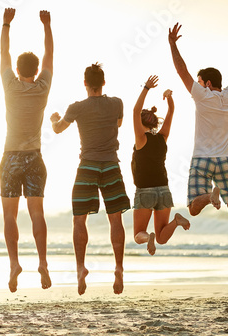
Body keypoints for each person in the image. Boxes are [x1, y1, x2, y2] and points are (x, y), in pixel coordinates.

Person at [50, 63, 130, 295]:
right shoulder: (116, 103)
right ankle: (118, 268)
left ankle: (80, 268)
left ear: (85, 83)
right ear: (103, 82)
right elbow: (118, 124)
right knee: (115, 220)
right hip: (111, 165)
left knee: (79, 219)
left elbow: (57, 130)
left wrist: (54, 119)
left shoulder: (76, 108)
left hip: (88, 165)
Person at [168, 23, 228, 229]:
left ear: (207, 83)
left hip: (202, 158)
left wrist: (172, 44)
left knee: (193, 209)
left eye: (200, 81)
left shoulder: (202, 96)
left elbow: (181, 70)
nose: (197, 83)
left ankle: (209, 197)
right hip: (223, 158)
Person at [0, 7, 53, 292]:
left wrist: (6, 24)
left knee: (10, 215)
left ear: (18, 71)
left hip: (11, 157)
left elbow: (3, 54)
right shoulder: (43, 87)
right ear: (36, 71)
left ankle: (14, 264)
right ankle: (42, 262)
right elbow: (50, 56)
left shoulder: (10, 84)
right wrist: (46, 26)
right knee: (37, 213)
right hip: (34, 157)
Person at [131, 75, 190, 256]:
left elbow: (135, 111)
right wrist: (169, 97)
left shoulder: (141, 139)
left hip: (145, 191)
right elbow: (171, 112)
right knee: (162, 238)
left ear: (141, 124)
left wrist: (146, 88)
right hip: (164, 190)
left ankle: (148, 237)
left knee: (137, 234)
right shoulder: (162, 138)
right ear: (155, 123)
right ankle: (176, 221)